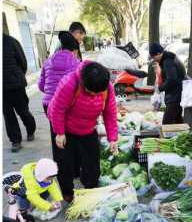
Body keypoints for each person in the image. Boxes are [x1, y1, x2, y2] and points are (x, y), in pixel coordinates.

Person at [47, 61, 118, 202]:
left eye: (98, 93)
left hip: (88, 128)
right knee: (65, 163)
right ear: (84, 83)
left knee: (92, 162)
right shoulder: (69, 83)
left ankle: (90, 189)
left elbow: (110, 113)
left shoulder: (106, 87)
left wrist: (113, 138)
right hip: (65, 128)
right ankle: (68, 193)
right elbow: (57, 109)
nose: (95, 95)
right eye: (92, 92)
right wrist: (59, 133)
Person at [38, 31, 80, 161]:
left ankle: (59, 167)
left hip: (49, 105)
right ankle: (73, 169)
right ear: (74, 50)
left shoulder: (48, 61)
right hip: (68, 105)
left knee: (56, 134)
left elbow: (41, 85)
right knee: (70, 135)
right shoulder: (76, 63)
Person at [3, 33, 36, 152]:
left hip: (16, 85)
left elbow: (23, 62)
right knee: (8, 115)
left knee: (23, 111)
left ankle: (30, 130)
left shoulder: (11, 42)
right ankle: (15, 141)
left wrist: (18, 75)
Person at [149, 43, 186, 124]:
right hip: (177, 94)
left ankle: (168, 136)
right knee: (177, 119)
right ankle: (180, 133)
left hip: (175, 96)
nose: (154, 59)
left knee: (167, 122)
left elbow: (172, 80)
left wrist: (160, 88)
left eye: (153, 57)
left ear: (158, 53)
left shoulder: (168, 61)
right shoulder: (168, 59)